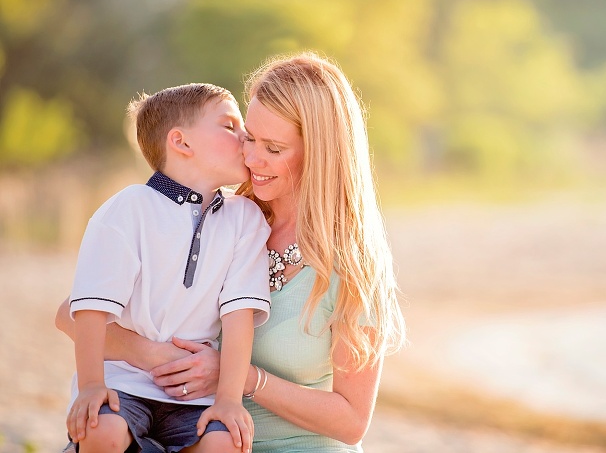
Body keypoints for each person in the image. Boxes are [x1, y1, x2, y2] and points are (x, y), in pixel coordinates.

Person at [57, 51, 406, 452]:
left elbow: (352, 422)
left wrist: (237, 376)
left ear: (321, 154)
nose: (252, 157)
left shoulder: (353, 262)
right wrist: (158, 357)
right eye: (249, 138)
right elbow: (70, 315)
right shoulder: (229, 216)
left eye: (274, 149)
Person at [63, 83, 271, 453]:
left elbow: (239, 314)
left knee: (226, 444)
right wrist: (92, 384)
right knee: (102, 431)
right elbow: (91, 308)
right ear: (181, 142)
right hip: (124, 383)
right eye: (230, 126)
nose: (246, 138)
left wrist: (228, 398)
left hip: (195, 395)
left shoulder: (246, 218)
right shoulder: (129, 209)